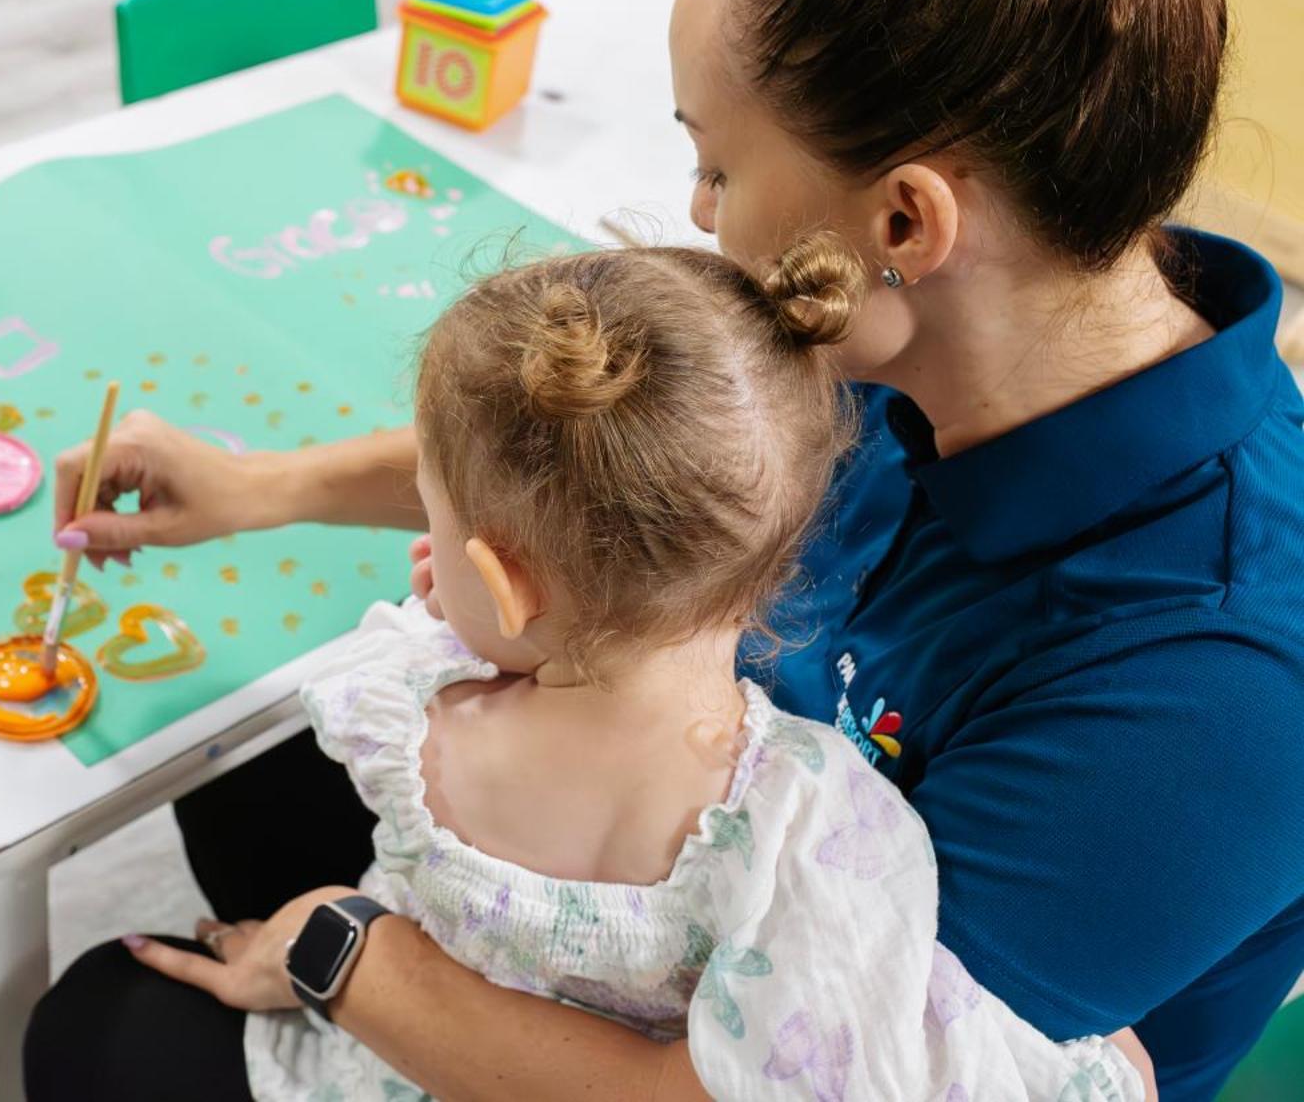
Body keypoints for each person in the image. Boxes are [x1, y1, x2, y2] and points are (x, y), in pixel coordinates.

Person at [27, 0, 1304, 1098]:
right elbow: (596, 462)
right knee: (243, 787)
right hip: (694, 876)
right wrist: (260, 485)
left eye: (720, 167)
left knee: (104, 1031)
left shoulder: (1225, 677)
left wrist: (348, 954)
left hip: (758, 1051)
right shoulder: (914, 331)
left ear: (908, 224)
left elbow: (759, 1082)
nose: (700, 214)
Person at [263, 237, 1150, 1100]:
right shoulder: (804, 825)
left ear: (504, 580)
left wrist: (474, 627)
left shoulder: (413, 709)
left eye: (428, 505)